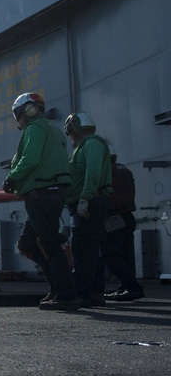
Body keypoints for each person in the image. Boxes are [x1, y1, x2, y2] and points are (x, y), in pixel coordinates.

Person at [3, 92, 78, 311]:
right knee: (28, 242)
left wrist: (12, 177)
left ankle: (67, 295)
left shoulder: (34, 128)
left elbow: (31, 159)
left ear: (25, 112)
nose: (19, 119)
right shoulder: (53, 129)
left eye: (19, 114)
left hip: (42, 192)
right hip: (51, 191)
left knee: (50, 243)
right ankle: (57, 287)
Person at [63, 113, 113, 307]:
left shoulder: (91, 144)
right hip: (84, 202)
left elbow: (93, 173)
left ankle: (82, 293)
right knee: (90, 250)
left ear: (73, 128)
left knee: (82, 250)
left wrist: (85, 198)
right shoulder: (82, 148)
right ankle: (94, 292)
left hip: (88, 203)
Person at [102, 151, 144, 301]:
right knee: (126, 256)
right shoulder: (122, 168)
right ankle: (126, 287)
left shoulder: (106, 170)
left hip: (114, 216)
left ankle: (132, 287)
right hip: (127, 216)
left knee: (109, 253)